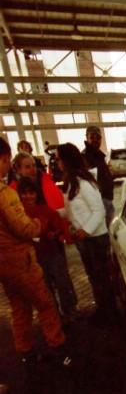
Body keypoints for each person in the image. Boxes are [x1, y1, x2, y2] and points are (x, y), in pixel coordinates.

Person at [0, 137, 71, 366]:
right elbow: (23, 227)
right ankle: (59, 348)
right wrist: (39, 224)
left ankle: (26, 353)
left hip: (4, 265)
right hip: (20, 260)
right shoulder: (5, 194)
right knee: (45, 303)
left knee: (19, 308)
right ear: (4, 159)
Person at [57, 143, 114, 324]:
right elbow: (71, 211)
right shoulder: (72, 182)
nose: (57, 162)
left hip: (95, 239)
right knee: (94, 277)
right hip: (86, 240)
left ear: (66, 160)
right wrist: (54, 214)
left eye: (59, 158)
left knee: (101, 278)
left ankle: (109, 313)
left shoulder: (84, 182)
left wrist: (85, 230)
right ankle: (103, 310)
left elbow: (99, 210)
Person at [16, 177, 78, 322]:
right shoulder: (18, 214)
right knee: (45, 289)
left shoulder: (44, 209)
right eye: (24, 193)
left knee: (62, 284)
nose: (28, 196)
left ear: (36, 194)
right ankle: (54, 315)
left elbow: (58, 226)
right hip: (33, 258)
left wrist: (54, 234)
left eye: (31, 193)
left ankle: (70, 312)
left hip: (52, 253)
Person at [81, 124, 115, 227]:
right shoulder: (85, 157)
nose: (95, 140)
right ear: (87, 138)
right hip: (99, 201)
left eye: (98, 137)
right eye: (92, 137)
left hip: (106, 198)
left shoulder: (98, 155)